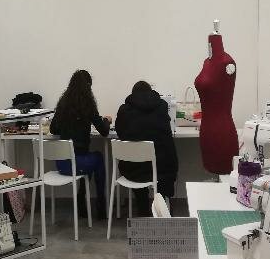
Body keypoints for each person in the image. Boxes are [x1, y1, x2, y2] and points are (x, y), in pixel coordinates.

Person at [49, 69, 110, 218]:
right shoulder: (88, 105)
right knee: (97, 158)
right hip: (77, 164)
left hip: (61, 164)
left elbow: (53, 129)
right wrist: (107, 120)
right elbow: (104, 131)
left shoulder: (63, 104)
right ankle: (101, 205)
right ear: (88, 86)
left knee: (87, 158)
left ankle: (81, 202)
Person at [114, 80, 178, 216]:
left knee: (137, 166)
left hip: (133, 171)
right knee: (165, 160)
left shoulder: (124, 110)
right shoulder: (162, 106)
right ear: (151, 92)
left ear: (133, 94)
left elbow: (120, 133)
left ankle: (142, 207)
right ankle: (162, 204)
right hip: (160, 170)